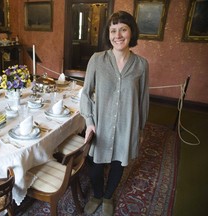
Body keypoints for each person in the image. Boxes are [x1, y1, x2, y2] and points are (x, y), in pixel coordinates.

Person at [80, 11, 149, 216]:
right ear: (108, 35)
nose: (117, 35)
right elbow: (85, 94)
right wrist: (89, 121)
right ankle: (97, 195)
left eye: (123, 29)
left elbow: (143, 99)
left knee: (119, 163)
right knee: (95, 166)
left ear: (131, 32)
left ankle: (108, 197)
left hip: (127, 125)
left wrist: (141, 129)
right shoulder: (97, 60)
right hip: (100, 124)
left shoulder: (141, 65)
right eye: (113, 30)